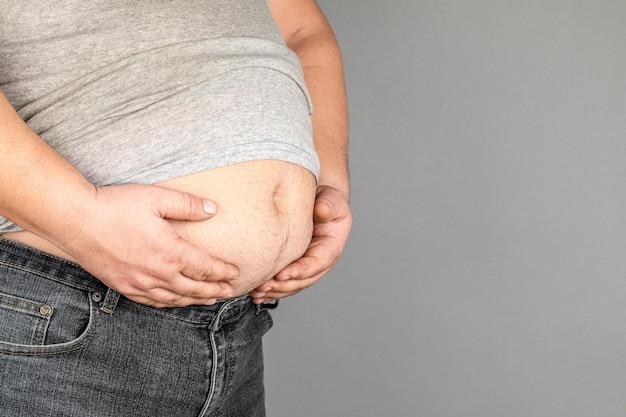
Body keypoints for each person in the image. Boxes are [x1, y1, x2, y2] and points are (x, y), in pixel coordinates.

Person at [0, 0, 351, 415]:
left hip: (234, 330)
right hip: (65, 309)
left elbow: (300, 29)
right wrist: (81, 219)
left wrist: (328, 178)